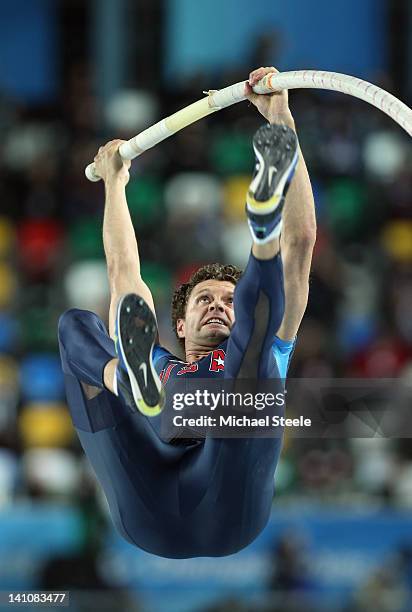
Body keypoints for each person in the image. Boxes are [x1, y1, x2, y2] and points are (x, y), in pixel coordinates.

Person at [58, 67, 316, 558]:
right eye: (205, 300)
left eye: (226, 301)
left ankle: (263, 236)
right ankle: (123, 381)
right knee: (76, 326)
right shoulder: (160, 361)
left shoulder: (263, 343)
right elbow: (122, 270)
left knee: (257, 366)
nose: (219, 307)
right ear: (179, 324)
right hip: (149, 499)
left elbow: (301, 244)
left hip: (227, 505)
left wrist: (281, 117)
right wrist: (116, 185)